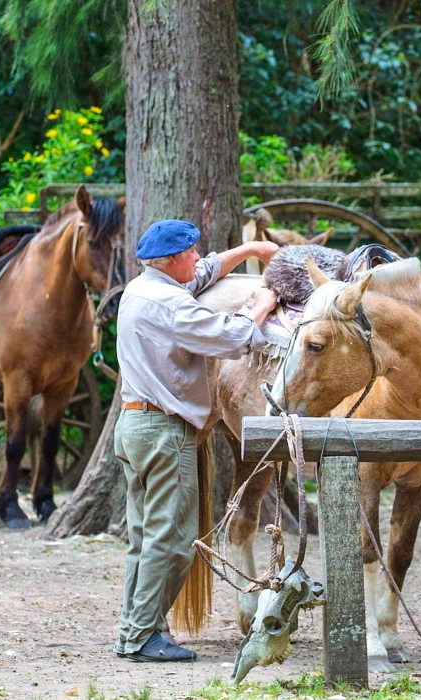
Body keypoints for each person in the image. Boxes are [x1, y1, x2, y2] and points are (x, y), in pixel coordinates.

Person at [113, 219, 278, 662]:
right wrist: (261, 304)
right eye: (190, 253)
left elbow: (205, 271)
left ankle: (133, 629)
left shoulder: (142, 289)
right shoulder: (171, 306)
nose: (197, 259)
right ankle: (144, 636)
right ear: (171, 261)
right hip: (165, 433)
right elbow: (233, 335)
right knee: (173, 539)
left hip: (135, 429)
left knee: (144, 536)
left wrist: (249, 250)